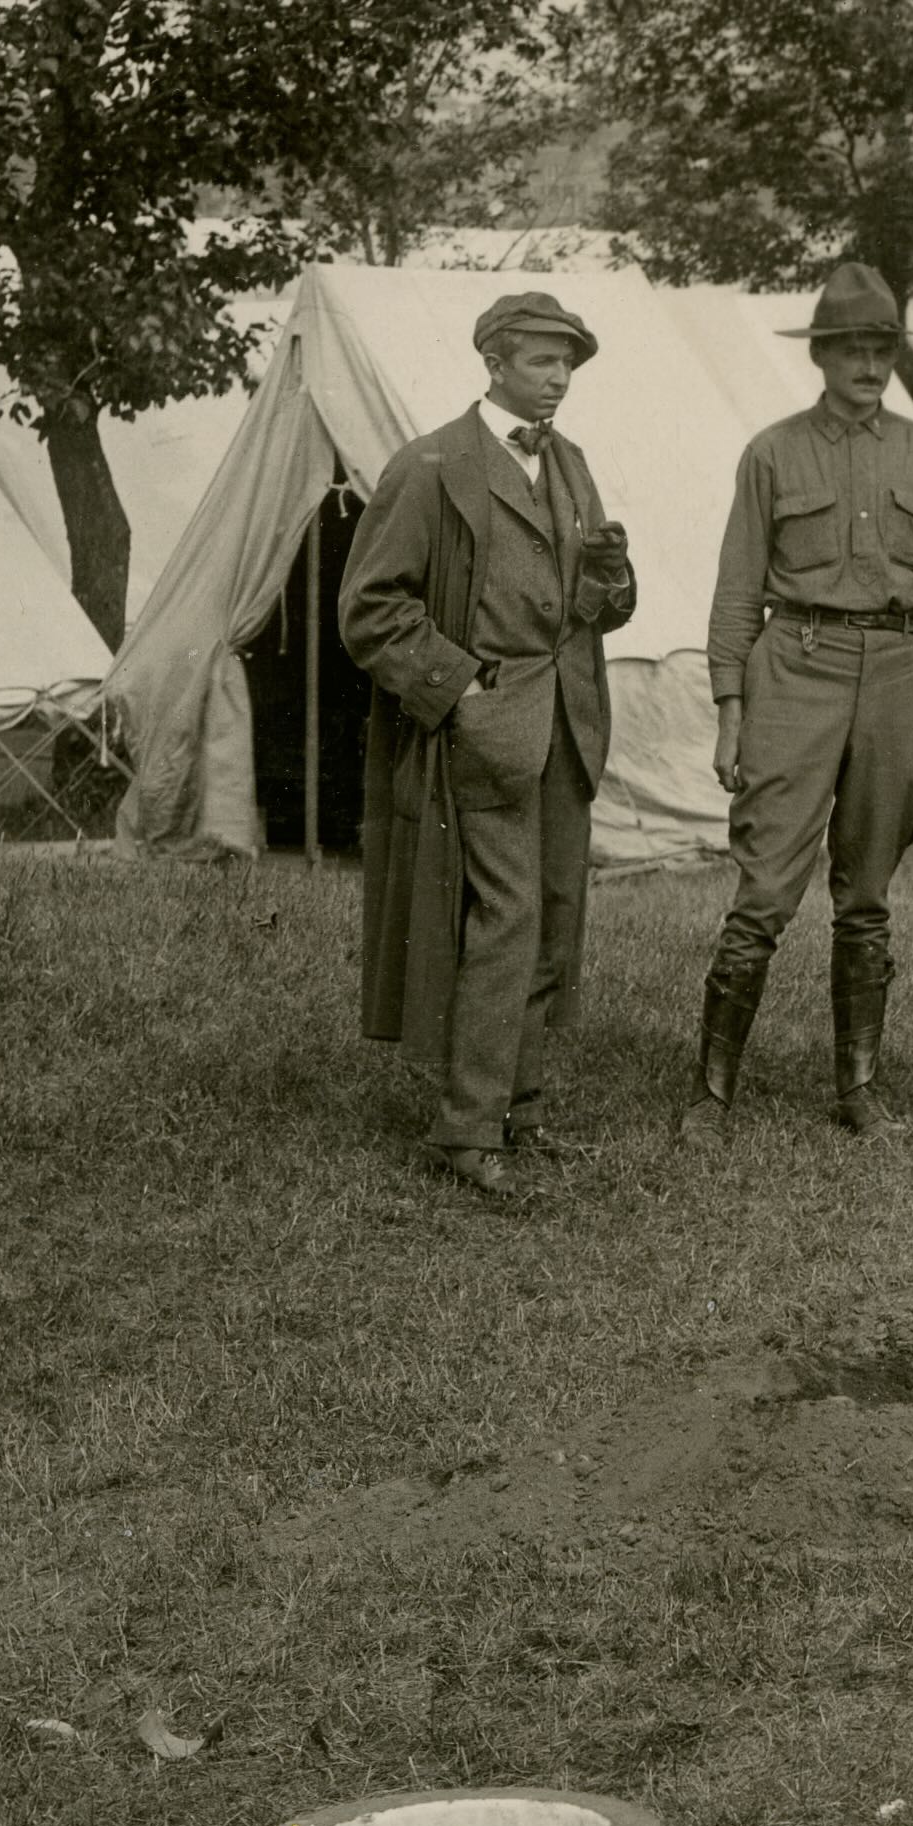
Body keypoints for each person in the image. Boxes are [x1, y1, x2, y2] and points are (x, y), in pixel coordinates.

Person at [343, 287, 635, 1201]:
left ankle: (523, 1109)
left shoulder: (573, 464)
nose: (558, 379)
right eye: (542, 361)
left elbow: (592, 608)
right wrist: (462, 686)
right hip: (484, 734)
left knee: (552, 917)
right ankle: (466, 1130)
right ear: (494, 362)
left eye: (568, 364)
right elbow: (370, 610)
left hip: (567, 726)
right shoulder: (432, 466)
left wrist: (608, 582)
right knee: (505, 923)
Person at [688, 261, 913, 1140]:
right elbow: (737, 589)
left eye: (881, 349)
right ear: (820, 356)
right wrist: (731, 708)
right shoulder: (771, 452)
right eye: (850, 349)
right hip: (795, 666)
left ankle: (857, 1090)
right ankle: (710, 1096)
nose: (868, 366)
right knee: (766, 887)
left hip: (898, 671)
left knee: (868, 895)